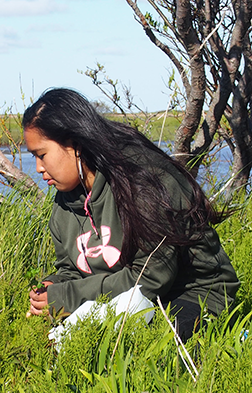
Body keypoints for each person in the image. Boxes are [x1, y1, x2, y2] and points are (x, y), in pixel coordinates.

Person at [23, 88, 240, 341]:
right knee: (64, 350)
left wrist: (67, 296)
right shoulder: (65, 201)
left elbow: (150, 278)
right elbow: (72, 270)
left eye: (42, 155)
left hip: (194, 292)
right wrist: (53, 287)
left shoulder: (146, 181)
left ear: (75, 144)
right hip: (126, 300)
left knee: (148, 355)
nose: (38, 168)